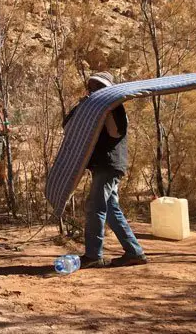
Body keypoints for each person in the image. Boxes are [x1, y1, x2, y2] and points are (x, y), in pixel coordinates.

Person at [64, 72, 148, 269]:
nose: (93, 90)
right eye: (91, 86)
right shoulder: (90, 108)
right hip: (103, 165)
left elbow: (115, 132)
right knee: (111, 210)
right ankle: (134, 252)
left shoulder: (115, 108)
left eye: (98, 87)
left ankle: (93, 254)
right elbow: (68, 127)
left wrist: (105, 107)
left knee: (95, 207)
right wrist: (83, 108)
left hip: (109, 165)